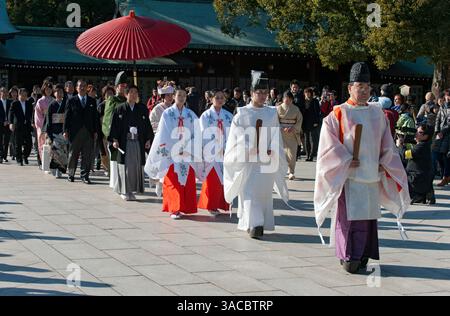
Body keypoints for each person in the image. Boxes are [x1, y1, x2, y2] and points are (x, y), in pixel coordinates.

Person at [314, 62, 410, 274]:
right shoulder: (338, 114)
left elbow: (387, 145)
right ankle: (348, 255)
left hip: (371, 175)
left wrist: (388, 165)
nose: (364, 90)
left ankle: (364, 254)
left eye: (367, 86)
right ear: (350, 88)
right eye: (360, 86)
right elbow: (327, 145)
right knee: (349, 219)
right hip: (349, 177)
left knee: (368, 219)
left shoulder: (378, 114)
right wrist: (346, 158)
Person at [224, 70, 289, 239]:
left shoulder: (271, 113)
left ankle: (256, 222)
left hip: (266, 160)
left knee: (263, 192)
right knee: (249, 192)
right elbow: (235, 137)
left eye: (265, 93)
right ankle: (255, 224)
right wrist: (248, 148)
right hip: (249, 160)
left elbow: (275, 134)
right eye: (258, 93)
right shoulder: (242, 113)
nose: (262, 96)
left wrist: (271, 149)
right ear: (251, 93)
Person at [145, 88, 201, 219]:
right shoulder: (167, 114)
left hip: (187, 153)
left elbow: (196, 133)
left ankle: (185, 207)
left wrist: (188, 147)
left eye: (183, 95)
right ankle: (174, 208)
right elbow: (164, 133)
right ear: (174, 97)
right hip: (172, 153)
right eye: (178, 95)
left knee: (186, 181)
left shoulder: (191, 115)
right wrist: (175, 147)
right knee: (173, 181)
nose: (181, 97)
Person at [109, 85, 153, 201]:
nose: (133, 95)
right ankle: (124, 190)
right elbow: (114, 126)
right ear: (126, 94)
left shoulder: (142, 109)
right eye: (131, 92)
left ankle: (132, 190)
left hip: (138, 142)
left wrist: (148, 139)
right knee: (125, 166)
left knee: (135, 167)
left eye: (135, 92)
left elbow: (147, 125)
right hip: (125, 142)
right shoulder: (119, 108)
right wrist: (114, 140)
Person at [198, 89, 233, 215]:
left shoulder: (229, 116)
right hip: (211, 153)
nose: (219, 100)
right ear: (211, 99)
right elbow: (203, 134)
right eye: (217, 97)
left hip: (225, 152)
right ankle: (211, 205)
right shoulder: (206, 116)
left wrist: (228, 147)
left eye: (221, 98)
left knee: (224, 180)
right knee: (213, 180)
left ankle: (220, 204)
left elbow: (233, 134)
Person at [64, 80, 100, 184]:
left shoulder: (92, 101)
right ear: (76, 88)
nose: (82, 88)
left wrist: (96, 131)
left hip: (88, 132)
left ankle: (85, 176)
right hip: (75, 132)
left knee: (87, 155)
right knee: (73, 154)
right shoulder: (71, 101)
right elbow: (67, 116)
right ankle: (71, 174)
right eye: (80, 86)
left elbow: (95, 118)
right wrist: (65, 130)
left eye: (84, 86)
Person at [103, 71, 128, 189]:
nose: (123, 88)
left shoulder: (129, 101)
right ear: (116, 87)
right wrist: (111, 135)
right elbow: (108, 118)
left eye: (125, 86)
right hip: (115, 135)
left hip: (126, 135)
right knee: (114, 159)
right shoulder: (112, 100)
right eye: (121, 86)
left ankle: (124, 182)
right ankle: (114, 183)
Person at [399, 124, 435, 204]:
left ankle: (418, 194)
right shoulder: (424, 144)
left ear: (426, 136)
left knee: (397, 176)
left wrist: (401, 145)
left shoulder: (421, 147)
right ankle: (424, 193)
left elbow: (405, 155)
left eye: (419, 132)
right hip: (422, 178)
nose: (416, 133)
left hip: (417, 179)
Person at [277, 91, 303, 180]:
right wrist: (280, 127)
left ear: (292, 100)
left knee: (292, 154)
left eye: (289, 99)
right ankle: (283, 171)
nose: (287, 101)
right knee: (282, 154)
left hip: (292, 134)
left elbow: (299, 120)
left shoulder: (296, 109)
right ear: (283, 99)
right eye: (285, 99)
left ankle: (291, 171)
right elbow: (275, 121)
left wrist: (293, 128)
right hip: (281, 134)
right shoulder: (278, 108)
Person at [46, 84, 68, 178]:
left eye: (61, 92)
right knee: (56, 152)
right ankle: (55, 169)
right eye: (57, 92)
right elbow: (48, 120)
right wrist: (49, 132)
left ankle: (60, 169)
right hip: (55, 131)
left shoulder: (66, 103)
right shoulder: (52, 105)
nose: (59, 93)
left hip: (64, 131)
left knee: (63, 152)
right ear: (54, 93)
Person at [9, 88, 33, 166]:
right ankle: (19, 159)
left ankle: (24, 156)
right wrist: (11, 123)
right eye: (22, 95)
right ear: (19, 95)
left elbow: (32, 114)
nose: (24, 96)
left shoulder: (29, 103)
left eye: (25, 95)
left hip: (27, 126)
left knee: (29, 144)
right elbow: (11, 114)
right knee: (18, 144)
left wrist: (33, 122)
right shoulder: (15, 103)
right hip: (18, 126)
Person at [35, 82, 54, 169]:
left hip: (53, 126)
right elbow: (38, 116)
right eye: (47, 89)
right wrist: (43, 128)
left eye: (50, 89)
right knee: (43, 145)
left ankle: (52, 163)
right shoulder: (40, 101)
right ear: (44, 90)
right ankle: (44, 164)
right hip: (43, 126)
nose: (48, 91)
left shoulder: (54, 100)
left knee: (53, 146)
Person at [435, 90, 450, 187]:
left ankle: (446, 176)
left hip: (448, 134)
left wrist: (442, 132)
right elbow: (438, 119)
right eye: (447, 96)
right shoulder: (442, 106)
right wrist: (437, 131)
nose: (448, 98)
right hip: (440, 134)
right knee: (439, 155)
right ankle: (445, 175)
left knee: (447, 156)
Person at [303, 87, 321, 162]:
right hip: (305, 123)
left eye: (308, 92)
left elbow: (317, 112)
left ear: (311, 93)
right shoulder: (303, 101)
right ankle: (307, 155)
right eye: (306, 92)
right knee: (306, 140)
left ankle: (312, 155)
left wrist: (316, 121)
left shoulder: (315, 101)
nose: (307, 94)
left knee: (313, 140)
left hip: (313, 123)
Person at [0, 87, 12, 163]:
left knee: (6, 141)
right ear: (0, 93)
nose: (4, 93)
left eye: (5, 92)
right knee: (0, 141)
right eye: (3, 92)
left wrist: (9, 121)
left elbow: (12, 113)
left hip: (8, 124)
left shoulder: (10, 102)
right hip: (0, 124)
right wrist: (2, 121)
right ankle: (1, 156)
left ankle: (4, 156)